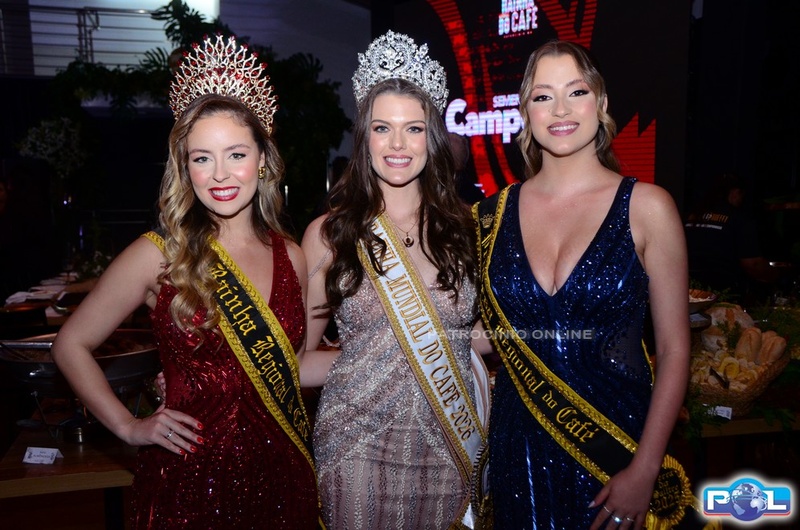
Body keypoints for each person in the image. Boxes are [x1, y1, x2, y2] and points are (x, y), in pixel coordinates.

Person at [52, 35, 321, 529]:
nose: (219, 174)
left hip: (284, 478)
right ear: (184, 166)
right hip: (190, 483)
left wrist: (385, 355)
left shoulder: (293, 256)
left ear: (262, 158)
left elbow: (293, 365)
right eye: (202, 158)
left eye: (235, 154)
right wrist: (128, 426)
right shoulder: (157, 255)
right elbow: (70, 344)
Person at [474, 40, 693, 529]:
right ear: (525, 112)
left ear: (601, 101)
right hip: (517, 452)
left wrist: (645, 469)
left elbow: (675, 348)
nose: (560, 110)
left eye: (575, 92)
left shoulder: (648, 208)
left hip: (617, 449)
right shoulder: (488, 216)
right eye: (543, 96)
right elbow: (491, 332)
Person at [301, 31, 489, 529]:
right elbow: (297, 361)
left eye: (414, 128)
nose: (398, 144)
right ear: (365, 137)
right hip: (355, 446)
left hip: (448, 444)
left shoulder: (468, 230)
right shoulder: (329, 234)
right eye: (382, 128)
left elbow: (468, 337)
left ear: (433, 137)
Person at [684, 172, 778, 300]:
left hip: (691, 291)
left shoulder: (691, 215)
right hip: (724, 293)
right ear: (735, 192)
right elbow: (752, 264)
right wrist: (775, 276)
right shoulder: (739, 218)